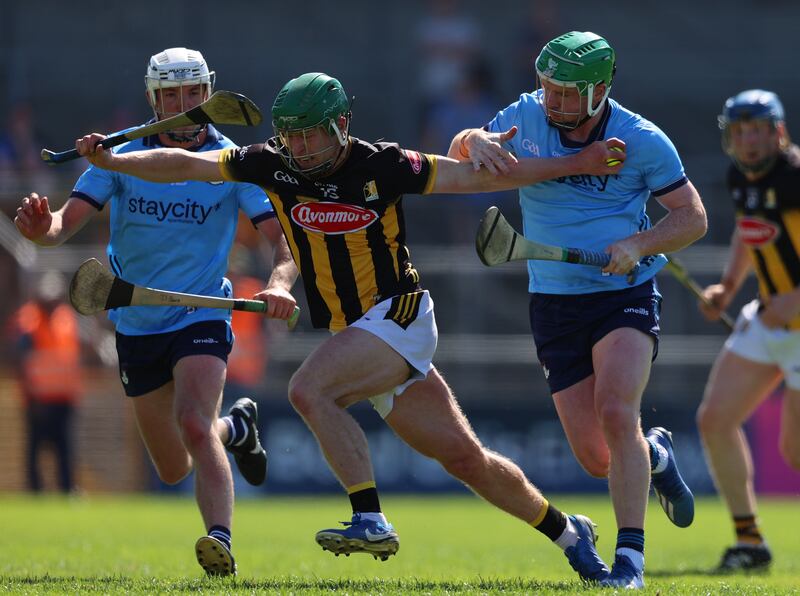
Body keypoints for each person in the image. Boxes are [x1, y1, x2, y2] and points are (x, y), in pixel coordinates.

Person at [70, 71, 628, 583]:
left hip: (400, 314)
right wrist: (115, 163)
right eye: (292, 135)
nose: (302, 147)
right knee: (468, 460)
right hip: (357, 333)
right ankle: (569, 533)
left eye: (313, 134)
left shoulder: (383, 164)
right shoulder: (273, 162)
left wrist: (575, 163)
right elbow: (186, 166)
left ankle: (369, 518)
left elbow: (469, 179)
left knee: (307, 390)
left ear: (341, 125)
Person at [14, 47, 297, 577]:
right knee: (171, 468)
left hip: (201, 313)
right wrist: (41, 228)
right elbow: (61, 225)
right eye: (170, 95)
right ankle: (235, 430)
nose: (182, 105)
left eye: (192, 93)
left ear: (208, 94)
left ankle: (220, 540)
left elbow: (282, 245)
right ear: (154, 98)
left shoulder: (233, 162)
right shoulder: (118, 157)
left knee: (192, 421)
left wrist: (280, 285)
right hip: (136, 318)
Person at [449, 31, 707, 589]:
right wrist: (472, 139)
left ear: (600, 90)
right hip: (555, 301)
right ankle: (656, 455)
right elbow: (460, 155)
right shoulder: (525, 114)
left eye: (569, 93)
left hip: (625, 294)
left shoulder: (642, 139)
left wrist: (639, 245)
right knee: (597, 457)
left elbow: (692, 217)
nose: (555, 103)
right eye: (549, 89)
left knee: (618, 413)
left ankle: (630, 562)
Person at [696, 89, 800, 572]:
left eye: (758, 129)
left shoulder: (796, 177)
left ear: (778, 132)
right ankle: (749, 542)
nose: (750, 140)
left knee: (794, 452)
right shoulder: (740, 176)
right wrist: (728, 286)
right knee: (714, 420)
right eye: (740, 132)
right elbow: (748, 229)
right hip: (768, 319)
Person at [11, 270, 83, 493]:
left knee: (66, 448)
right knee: (36, 448)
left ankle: (68, 488)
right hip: (38, 400)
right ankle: (35, 490)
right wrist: (31, 394)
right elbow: (22, 361)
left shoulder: (66, 318)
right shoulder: (29, 320)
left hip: (64, 398)